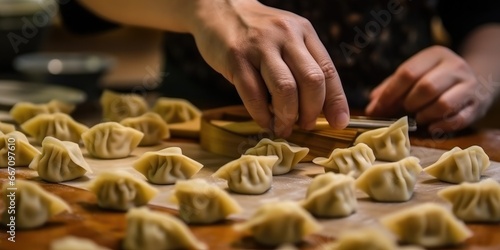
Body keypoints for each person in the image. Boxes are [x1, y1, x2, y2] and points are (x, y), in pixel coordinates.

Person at [58, 0, 500, 137]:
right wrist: (207, 9)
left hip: (399, 126)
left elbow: (486, 18)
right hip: (199, 129)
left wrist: (479, 76)